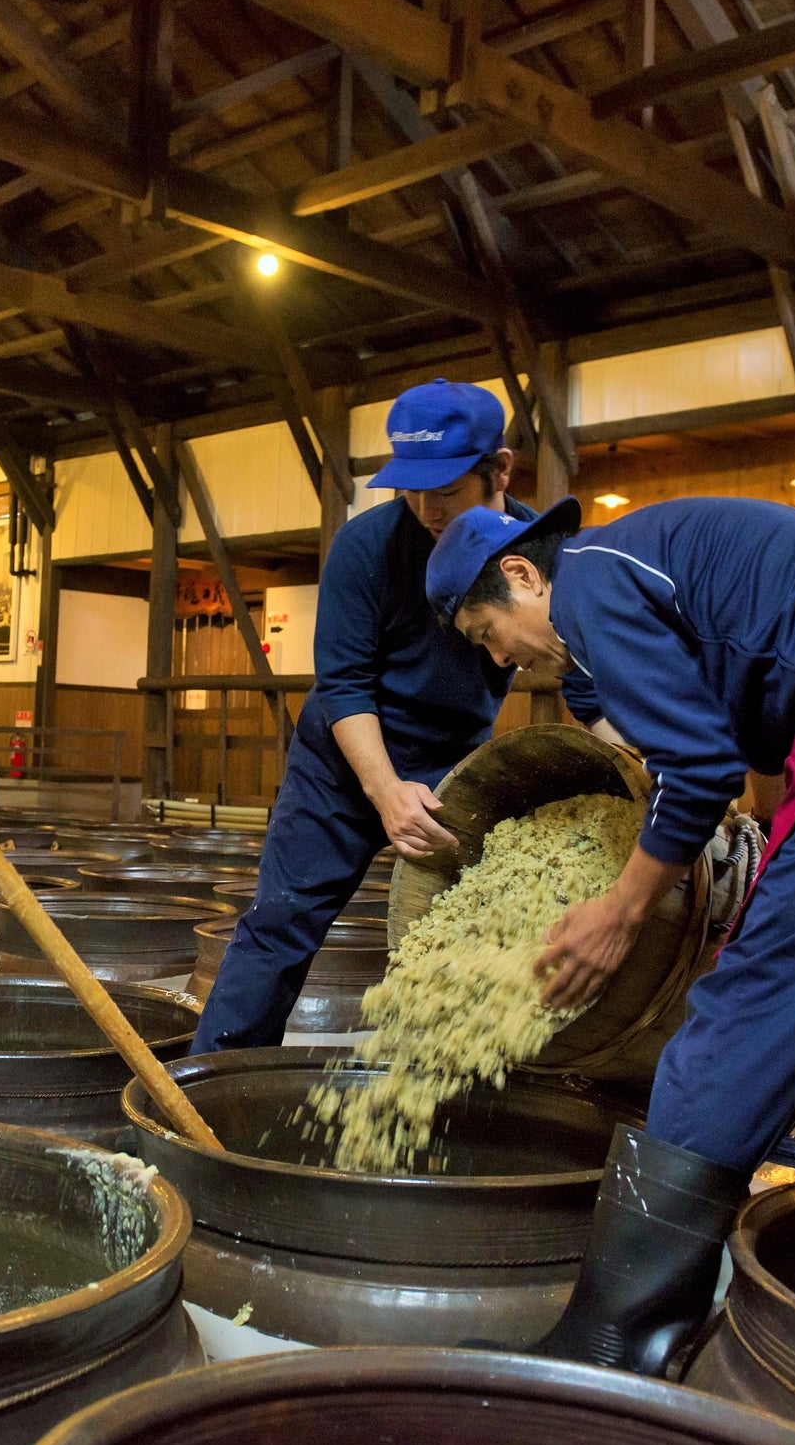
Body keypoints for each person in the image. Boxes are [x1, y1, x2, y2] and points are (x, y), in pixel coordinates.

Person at [425, 493, 795, 1375]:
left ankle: (619, 1340)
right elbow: (701, 745)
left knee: (744, 1009)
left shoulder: (590, 583)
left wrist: (621, 909)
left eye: (488, 632)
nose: (498, 659)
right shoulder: (633, 579)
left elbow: (701, 768)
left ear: (522, 574)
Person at [191, 379, 539, 1053]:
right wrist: (383, 791)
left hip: (456, 767)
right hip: (342, 767)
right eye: (412, 488)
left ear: (499, 470)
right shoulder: (365, 548)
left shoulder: (538, 550)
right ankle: (209, 1090)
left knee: (471, 932)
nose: (428, 508)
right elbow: (345, 685)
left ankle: (448, 1088)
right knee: (279, 925)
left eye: (447, 490)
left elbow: (576, 654)